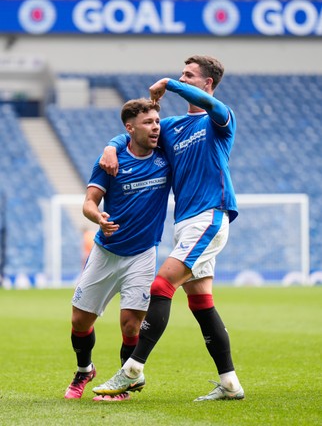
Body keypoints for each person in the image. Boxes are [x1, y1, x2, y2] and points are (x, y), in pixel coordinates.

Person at [93, 55, 244, 402]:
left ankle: (131, 370)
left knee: (161, 285)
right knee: (201, 302)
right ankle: (230, 383)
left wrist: (169, 84)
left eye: (189, 76)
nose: (182, 78)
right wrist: (111, 146)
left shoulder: (220, 119)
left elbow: (211, 105)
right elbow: (134, 133)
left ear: (208, 84)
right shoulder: (173, 127)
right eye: (180, 74)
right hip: (185, 222)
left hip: (210, 215)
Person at [64, 98, 171, 401]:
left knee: (131, 323)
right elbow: (88, 202)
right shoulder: (110, 162)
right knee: (79, 321)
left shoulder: (166, 155)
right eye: (148, 122)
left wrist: (113, 142)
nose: (155, 127)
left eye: (157, 122)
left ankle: (123, 382)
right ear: (130, 127)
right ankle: (85, 370)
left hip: (143, 254)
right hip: (106, 252)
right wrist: (97, 217)